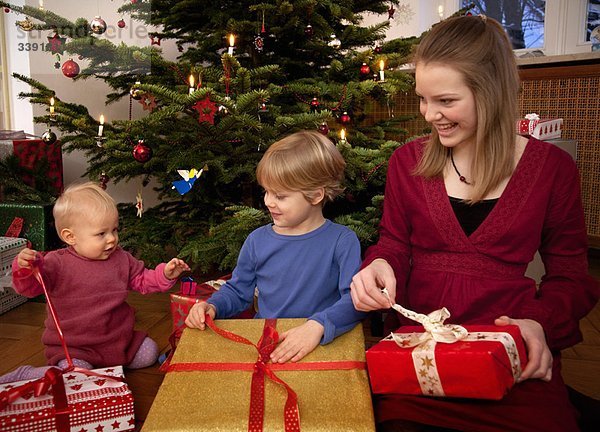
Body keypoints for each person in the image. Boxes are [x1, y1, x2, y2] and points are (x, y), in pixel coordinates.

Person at [350, 15, 600, 432]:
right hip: (421, 351)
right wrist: (379, 265)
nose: (430, 114)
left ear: (492, 93)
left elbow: (571, 276)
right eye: (423, 99)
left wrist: (539, 322)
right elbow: (393, 243)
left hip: (508, 352)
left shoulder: (552, 169)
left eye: (446, 101)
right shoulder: (407, 162)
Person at [185, 130, 366, 363]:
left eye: (280, 195)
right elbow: (238, 292)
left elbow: (355, 300)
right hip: (268, 344)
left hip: (321, 344)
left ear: (315, 195)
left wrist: (318, 326)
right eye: (266, 191)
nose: (268, 201)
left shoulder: (342, 241)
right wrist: (212, 307)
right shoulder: (257, 241)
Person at [0, 182, 190, 384]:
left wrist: (166, 274)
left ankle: (107, 366)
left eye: (114, 230)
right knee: (76, 376)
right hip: (77, 348)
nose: (112, 239)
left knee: (150, 352)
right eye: (101, 234)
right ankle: (29, 375)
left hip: (118, 342)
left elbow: (143, 280)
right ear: (70, 236)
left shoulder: (121, 258)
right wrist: (26, 268)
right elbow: (29, 289)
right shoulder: (55, 263)